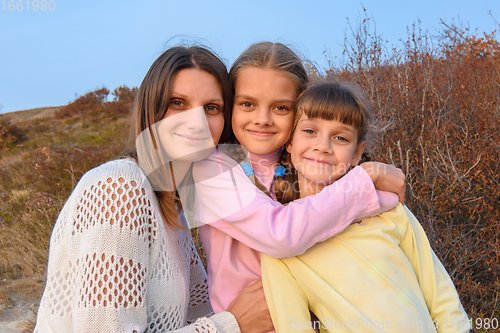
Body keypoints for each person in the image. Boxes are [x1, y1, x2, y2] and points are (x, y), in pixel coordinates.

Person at [34, 46, 273, 333]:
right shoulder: (119, 187)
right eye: (177, 103)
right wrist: (232, 325)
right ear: (151, 109)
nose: (196, 121)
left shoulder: (173, 207)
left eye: (211, 108)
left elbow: (200, 312)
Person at [188, 42, 406, 314]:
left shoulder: (306, 160)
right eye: (247, 104)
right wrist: (367, 179)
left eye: (280, 108)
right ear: (231, 104)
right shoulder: (212, 168)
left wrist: (379, 193)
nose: (263, 119)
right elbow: (280, 234)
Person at [260, 80, 470, 332]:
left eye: (340, 137)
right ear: (290, 142)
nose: (323, 146)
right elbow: (294, 326)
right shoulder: (280, 243)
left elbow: (437, 288)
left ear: (357, 153)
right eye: (310, 131)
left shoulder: (389, 211)